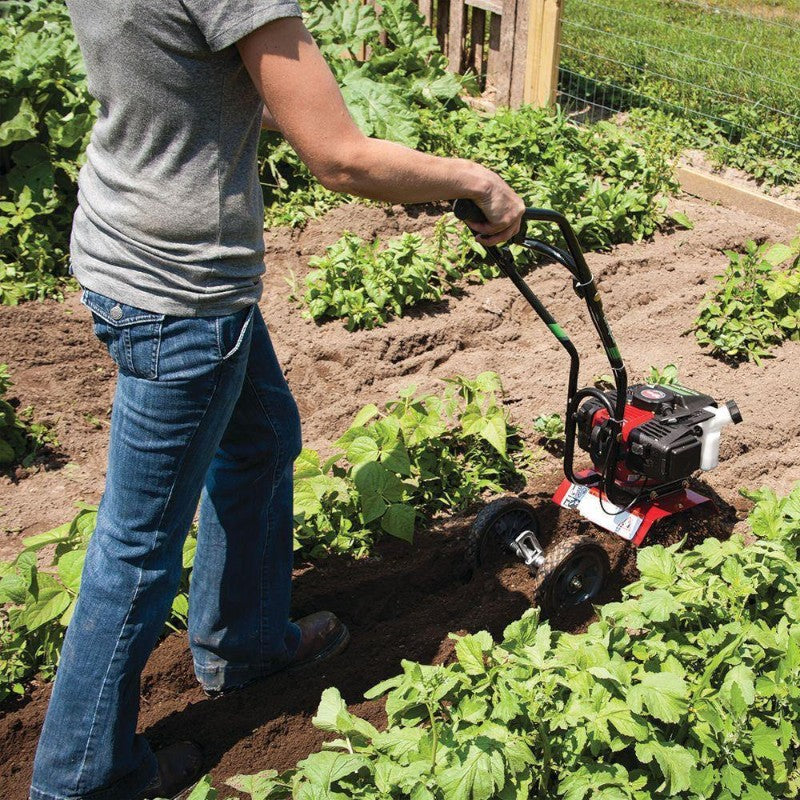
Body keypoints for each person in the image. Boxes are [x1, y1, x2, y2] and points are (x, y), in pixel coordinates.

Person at [30, 1, 525, 798]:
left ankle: (245, 644)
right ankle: (81, 778)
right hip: (184, 292)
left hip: (120, 238)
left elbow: (178, 77)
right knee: (137, 547)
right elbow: (342, 159)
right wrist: (477, 181)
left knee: (261, 440)